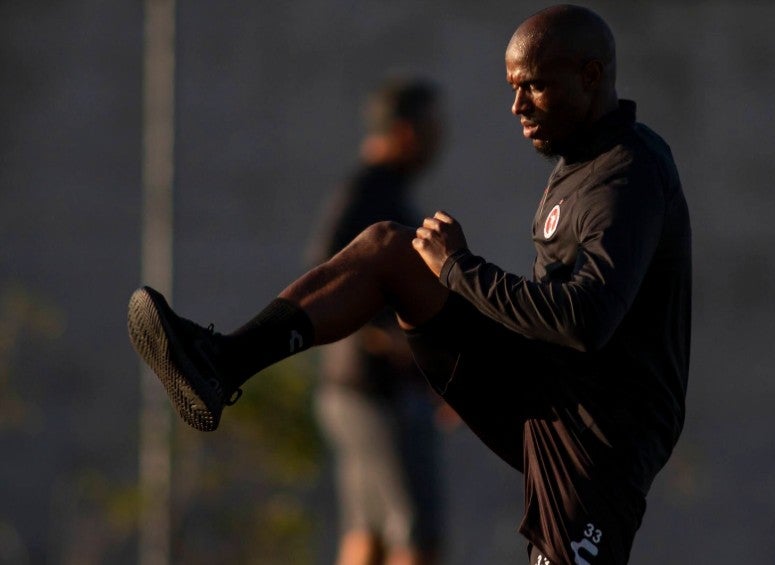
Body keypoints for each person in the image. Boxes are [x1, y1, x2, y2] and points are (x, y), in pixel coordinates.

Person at [127, 5, 691, 564]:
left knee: (405, 539)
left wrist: (458, 268)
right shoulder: (575, 166)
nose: (517, 106)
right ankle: (221, 362)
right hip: (539, 392)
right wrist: (445, 284)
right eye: (513, 87)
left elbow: (585, 320)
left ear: (590, 77)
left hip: (598, 441)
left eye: (535, 87)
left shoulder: (630, 172)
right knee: (389, 251)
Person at [307, 79, 446, 565]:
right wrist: (397, 346)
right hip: (376, 396)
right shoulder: (368, 196)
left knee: (368, 533)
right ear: (407, 132)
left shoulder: (380, 192)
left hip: (352, 392)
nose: (440, 140)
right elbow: (323, 282)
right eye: (433, 128)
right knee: (418, 537)